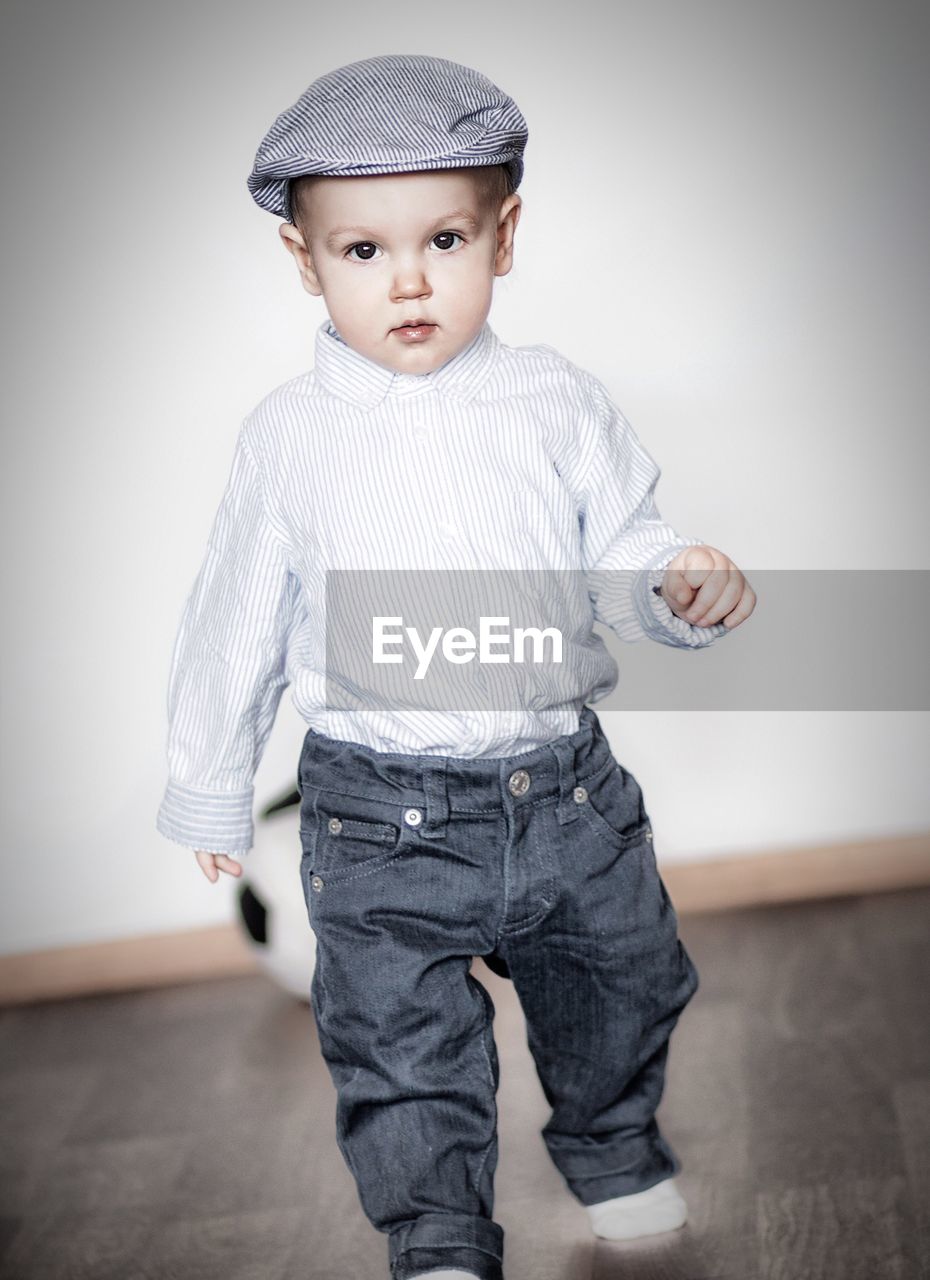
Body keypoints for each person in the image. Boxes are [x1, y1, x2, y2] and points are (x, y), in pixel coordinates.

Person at [156, 53, 755, 1280]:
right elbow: (236, 617)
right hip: (379, 818)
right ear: (305, 259)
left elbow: (624, 546)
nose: (411, 279)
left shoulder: (553, 401)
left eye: (445, 236)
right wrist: (210, 781)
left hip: (566, 797)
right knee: (397, 1042)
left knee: (627, 984)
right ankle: (434, 1229)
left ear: (507, 234)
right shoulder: (290, 439)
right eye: (363, 252)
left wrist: (675, 585)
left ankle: (614, 1139)